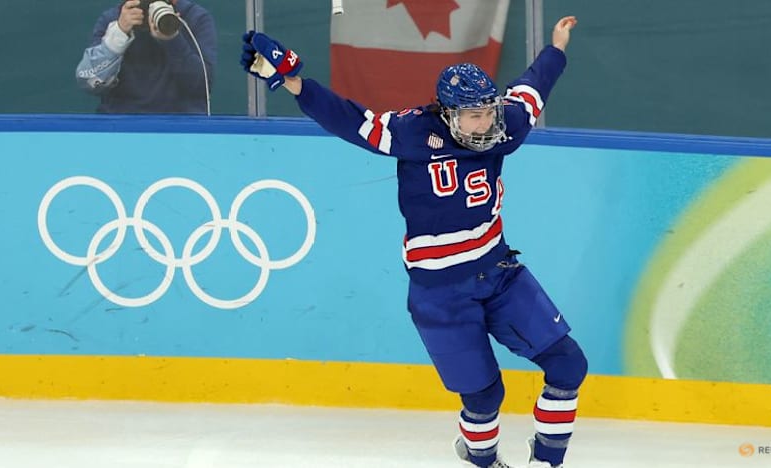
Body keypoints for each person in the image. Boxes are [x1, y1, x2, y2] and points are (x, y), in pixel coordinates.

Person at [240, 16, 587, 468]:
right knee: (484, 396)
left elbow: (533, 87)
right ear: (447, 112)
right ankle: (481, 459)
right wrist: (292, 80)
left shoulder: (504, 123)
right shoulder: (411, 131)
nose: (486, 124)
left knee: (568, 365)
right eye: (474, 114)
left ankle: (547, 461)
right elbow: (348, 119)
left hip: (500, 273)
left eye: (489, 111)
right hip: (440, 294)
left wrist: (557, 46)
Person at [75, 0, 217, 114]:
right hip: (122, 123)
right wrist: (118, 35)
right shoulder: (112, 19)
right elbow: (90, 82)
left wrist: (172, 39)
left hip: (180, 124)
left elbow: (201, 86)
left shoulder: (195, 18)